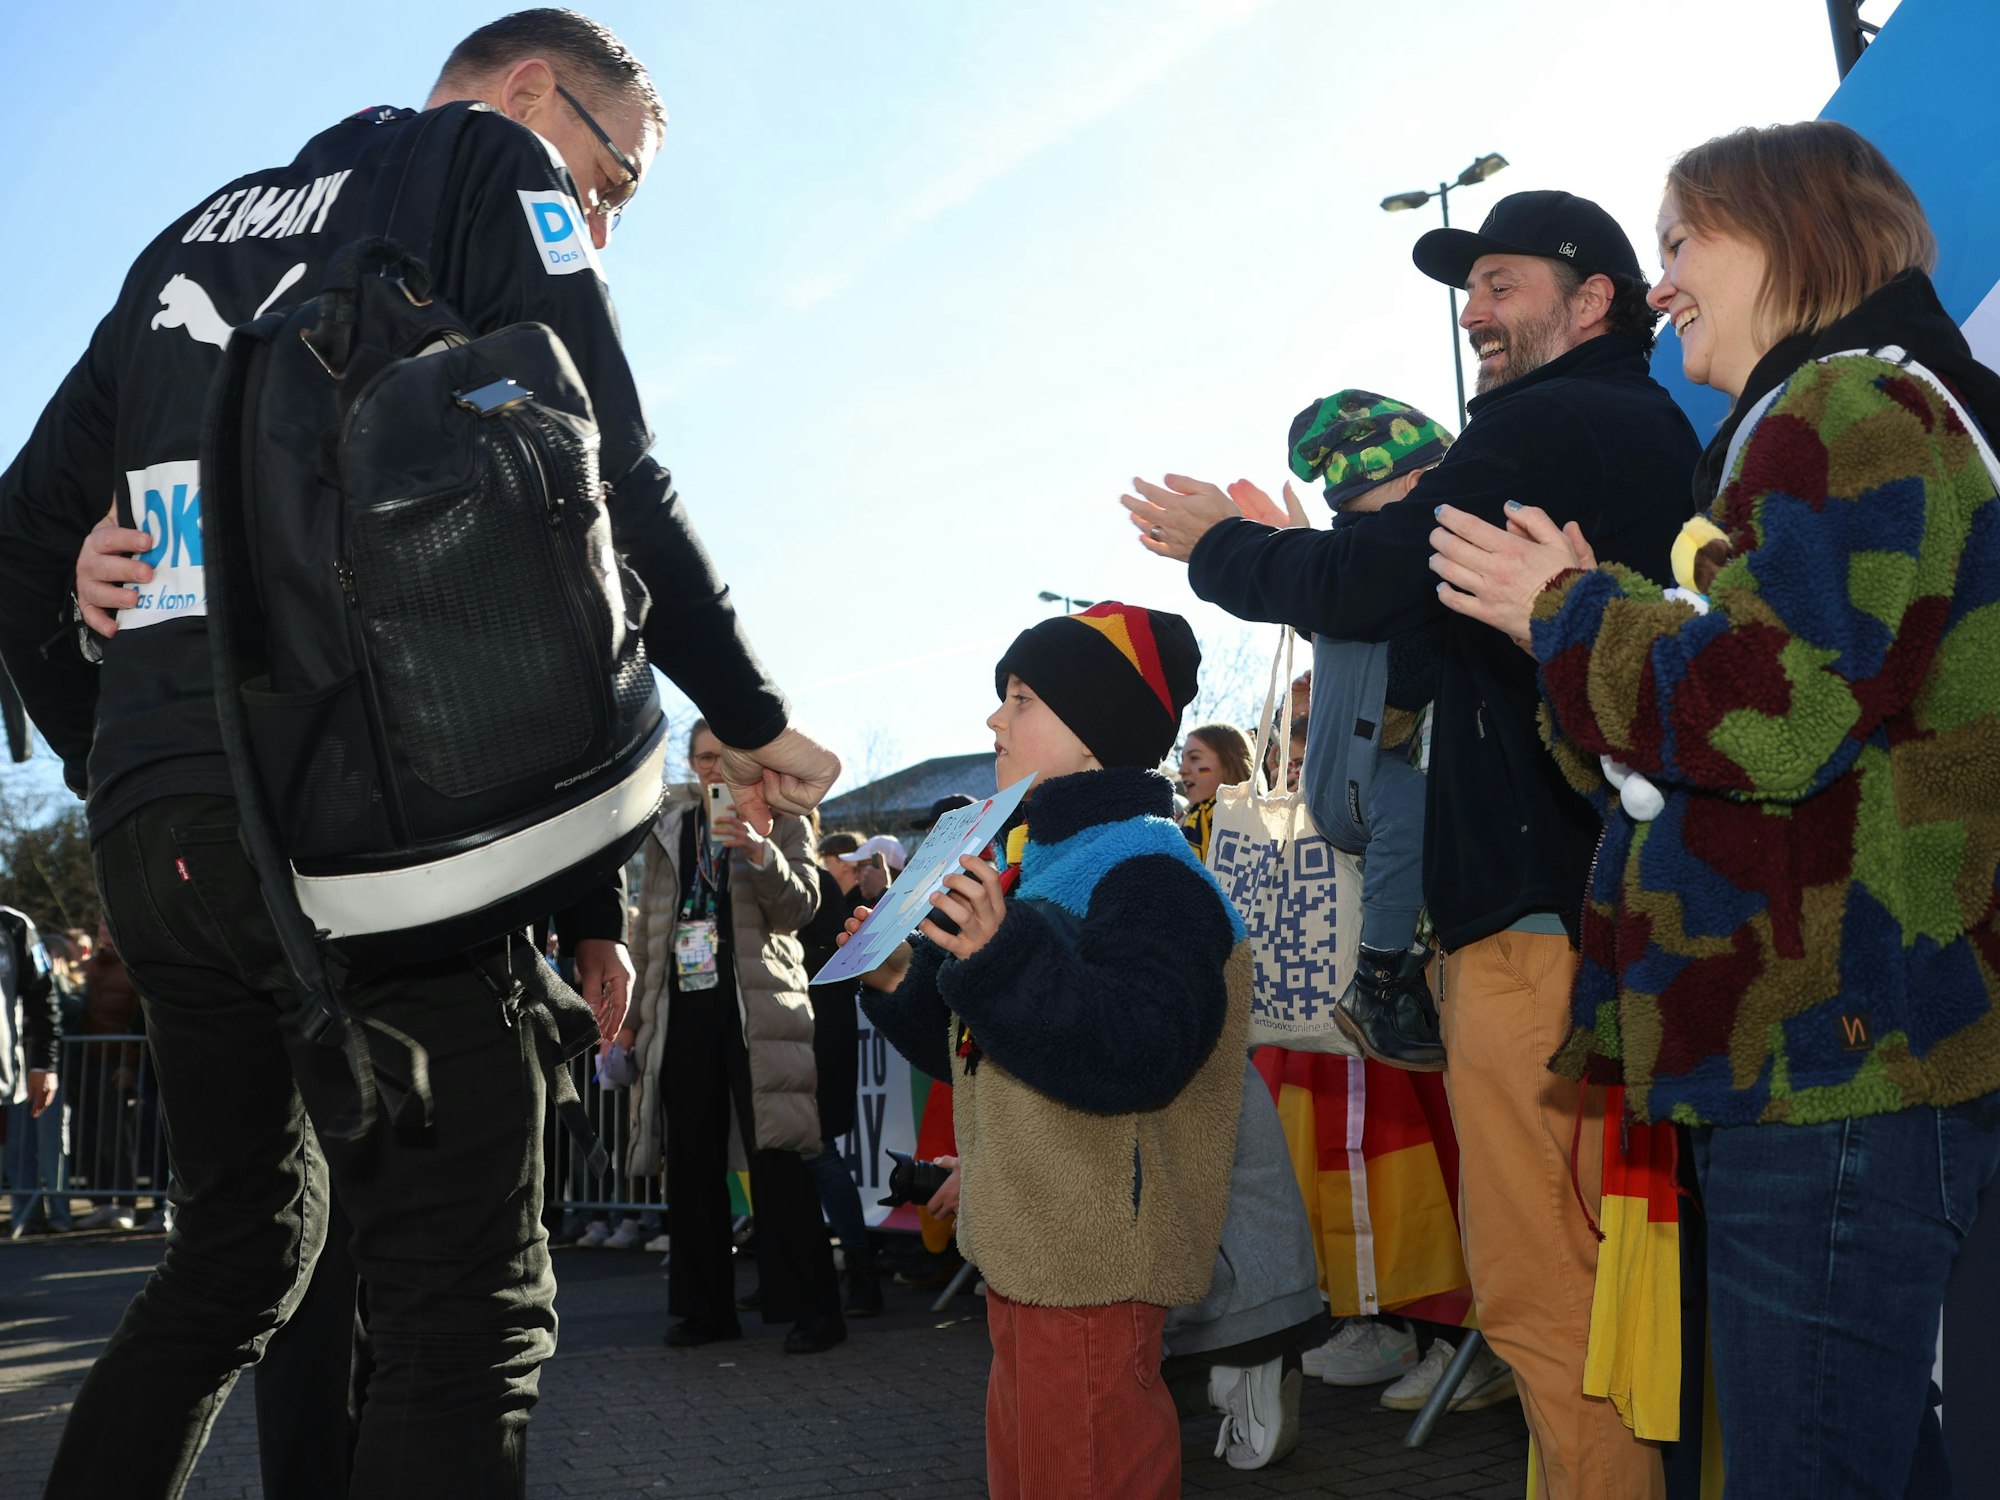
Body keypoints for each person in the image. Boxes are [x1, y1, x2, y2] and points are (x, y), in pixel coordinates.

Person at [1, 13, 838, 1495]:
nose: (605, 220)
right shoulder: (477, 162)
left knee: (240, 1260)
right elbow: (610, 475)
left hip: (167, 843)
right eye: (616, 178)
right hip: (362, 841)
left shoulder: (185, 240)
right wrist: (757, 716)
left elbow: (17, 542)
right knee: (469, 1309)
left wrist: (122, 758)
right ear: (531, 93)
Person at [1430, 121, 2000, 1499]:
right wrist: (1585, 626)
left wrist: (1569, 614)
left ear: (1790, 237)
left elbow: (1784, 713)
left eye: (1684, 239)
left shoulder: (1849, 409)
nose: (1667, 276)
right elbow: (1724, 746)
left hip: (1832, 1050)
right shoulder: (1833, 421)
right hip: (1825, 1048)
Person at [1122, 189, 1698, 1499]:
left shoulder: (1550, 421)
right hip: (1589, 909)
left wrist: (1225, 547)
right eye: (1467, 287)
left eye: (1501, 282)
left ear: (1592, 296)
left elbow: (1373, 581)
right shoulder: (1630, 424)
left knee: (1544, 1280)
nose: (1473, 311)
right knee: (1609, 1273)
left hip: (1534, 929)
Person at [858, 601, 1250, 1499]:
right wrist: (898, 988)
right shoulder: (1042, 864)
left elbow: (1139, 1051)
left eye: (1023, 698)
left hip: (1092, 1261)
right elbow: (990, 1049)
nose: (996, 719)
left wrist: (999, 955)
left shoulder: (1148, 869)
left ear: (1092, 734)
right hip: (1037, 1252)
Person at [622, 721, 845, 1353]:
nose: (712, 771)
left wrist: (757, 849)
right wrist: (636, 1016)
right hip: (685, 1011)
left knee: (778, 1160)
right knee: (689, 1165)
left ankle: (815, 1310)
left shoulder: (783, 816)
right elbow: (648, 928)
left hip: (758, 1012)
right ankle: (704, 1310)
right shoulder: (669, 828)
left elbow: (801, 908)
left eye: (723, 759)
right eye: (702, 759)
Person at [799, 827, 883, 1315]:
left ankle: (860, 1273)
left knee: (819, 1156)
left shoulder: (816, 883)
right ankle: (794, 1272)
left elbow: (833, 963)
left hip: (814, 1037)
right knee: (800, 1161)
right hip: (791, 1037)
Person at [2, 904, 59, 1237]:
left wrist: (44, 1063)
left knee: (18, 1155)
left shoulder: (12, 925)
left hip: (6, 1080)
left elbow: (43, 997)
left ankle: (27, 1218)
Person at [1178, 721, 1253, 860]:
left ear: (1228, 763)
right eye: (1183, 760)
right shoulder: (1186, 816)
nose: (1182, 770)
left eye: (1194, 758)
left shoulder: (1246, 817)